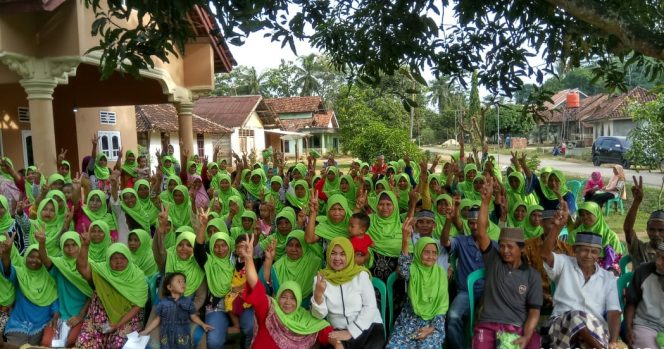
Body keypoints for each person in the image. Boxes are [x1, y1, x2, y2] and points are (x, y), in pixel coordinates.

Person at [471, 178, 542, 348]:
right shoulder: (494, 259)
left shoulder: (532, 275)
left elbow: (534, 311)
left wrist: (526, 334)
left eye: (510, 247)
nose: (504, 251)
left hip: (514, 327)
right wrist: (485, 201)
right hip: (487, 325)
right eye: (501, 246)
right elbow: (481, 232)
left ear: (521, 249)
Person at [541, 199, 621, 349]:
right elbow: (545, 255)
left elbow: (614, 312)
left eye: (594, 252)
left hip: (594, 329)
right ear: (575, 250)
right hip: (561, 324)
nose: (588, 255)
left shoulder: (608, 277)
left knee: (583, 328)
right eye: (584, 250)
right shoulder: (564, 263)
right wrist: (557, 228)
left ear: (599, 254)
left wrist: (614, 341)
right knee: (576, 317)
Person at [239, 233, 336, 349]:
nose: (288, 302)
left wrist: (338, 343)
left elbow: (325, 331)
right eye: (284, 296)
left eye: (293, 298)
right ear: (278, 297)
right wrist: (249, 258)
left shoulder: (305, 319)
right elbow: (256, 285)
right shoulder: (269, 310)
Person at [311, 237, 385, 349]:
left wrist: (351, 332)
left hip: (368, 327)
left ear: (350, 255)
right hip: (338, 331)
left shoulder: (361, 275)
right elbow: (319, 315)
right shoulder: (320, 279)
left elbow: (370, 307)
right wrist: (318, 295)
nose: (337, 258)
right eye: (333, 253)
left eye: (342, 254)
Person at [441, 201, 496, 349]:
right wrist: (448, 221)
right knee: (452, 317)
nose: (475, 226)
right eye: (471, 223)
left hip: (489, 293)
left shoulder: (494, 245)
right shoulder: (461, 241)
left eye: (478, 222)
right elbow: (445, 241)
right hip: (465, 292)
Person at [75, 237, 147, 348]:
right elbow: (82, 267)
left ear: (128, 258)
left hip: (127, 320)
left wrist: (117, 324)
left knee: (119, 345)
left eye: (123, 258)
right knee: (83, 344)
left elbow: (138, 305)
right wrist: (84, 246)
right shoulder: (101, 272)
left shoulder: (137, 277)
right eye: (114, 258)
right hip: (99, 320)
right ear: (108, 259)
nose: (119, 261)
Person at [386, 230, 448, 348]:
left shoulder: (440, 274)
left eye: (434, 253)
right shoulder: (413, 270)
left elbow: (442, 306)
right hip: (409, 319)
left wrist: (431, 329)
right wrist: (405, 240)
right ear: (418, 252)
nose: (430, 256)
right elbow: (403, 267)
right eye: (426, 252)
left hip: (432, 322)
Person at [36, 231, 92, 347]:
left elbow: (93, 294)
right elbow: (45, 259)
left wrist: (80, 316)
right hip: (61, 315)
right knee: (46, 342)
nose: (70, 249)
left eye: (74, 244)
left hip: (82, 315)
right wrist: (42, 243)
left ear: (79, 245)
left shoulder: (88, 266)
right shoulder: (59, 265)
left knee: (71, 342)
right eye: (66, 245)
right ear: (62, 247)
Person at [1, 237, 59, 346]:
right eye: (31, 256)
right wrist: (6, 253)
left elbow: (54, 299)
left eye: (39, 258)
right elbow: (7, 270)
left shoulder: (49, 278)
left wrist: (55, 314)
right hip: (18, 323)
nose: (34, 260)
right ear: (25, 257)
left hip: (42, 324)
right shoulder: (20, 274)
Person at [140, 272, 213, 348]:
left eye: (184, 281)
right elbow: (157, 319)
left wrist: (202, 324)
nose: (183, 284)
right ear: (169, 287)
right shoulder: (164, 303)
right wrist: (146, 331)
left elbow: (193, 316)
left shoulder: (187, 302)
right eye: (179, 281)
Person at [522, 210, 574, 312]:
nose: (556, 227)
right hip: (535, 297)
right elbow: (524, 275)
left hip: (562, 300)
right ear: (541, 223)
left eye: (559, 225)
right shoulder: (528, 246)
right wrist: (541, 295)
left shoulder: (567, 249)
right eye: (552, 223)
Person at [261, 230, 322, 307]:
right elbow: (262, 285)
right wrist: (269, 260)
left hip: (307, 310)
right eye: (290, 245)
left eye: (298, 245)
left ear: (305, 246)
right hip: (281, 309)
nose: (293, 249)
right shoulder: (278, 265)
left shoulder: (315, 263)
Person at [624, 242, 664, 349]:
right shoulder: (644, 271)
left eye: (663, 258)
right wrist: (628, 329)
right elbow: (631, 302)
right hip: (646, 324)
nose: (658, 262)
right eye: (658, 255)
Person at [569, 201, 624, 271]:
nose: (585, 217)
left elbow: (618, 261)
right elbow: (570, 258)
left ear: (597, 214)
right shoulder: (574, 235)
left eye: (588, 213)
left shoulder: (611, 236)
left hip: (606, 273)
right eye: (582, 215)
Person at [624, 176, 664, 267]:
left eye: (661, 230)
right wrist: (636, 202)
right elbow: (627, 229)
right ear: (647, 230)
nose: (656, 234)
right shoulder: (640, 249)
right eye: (652, 229)